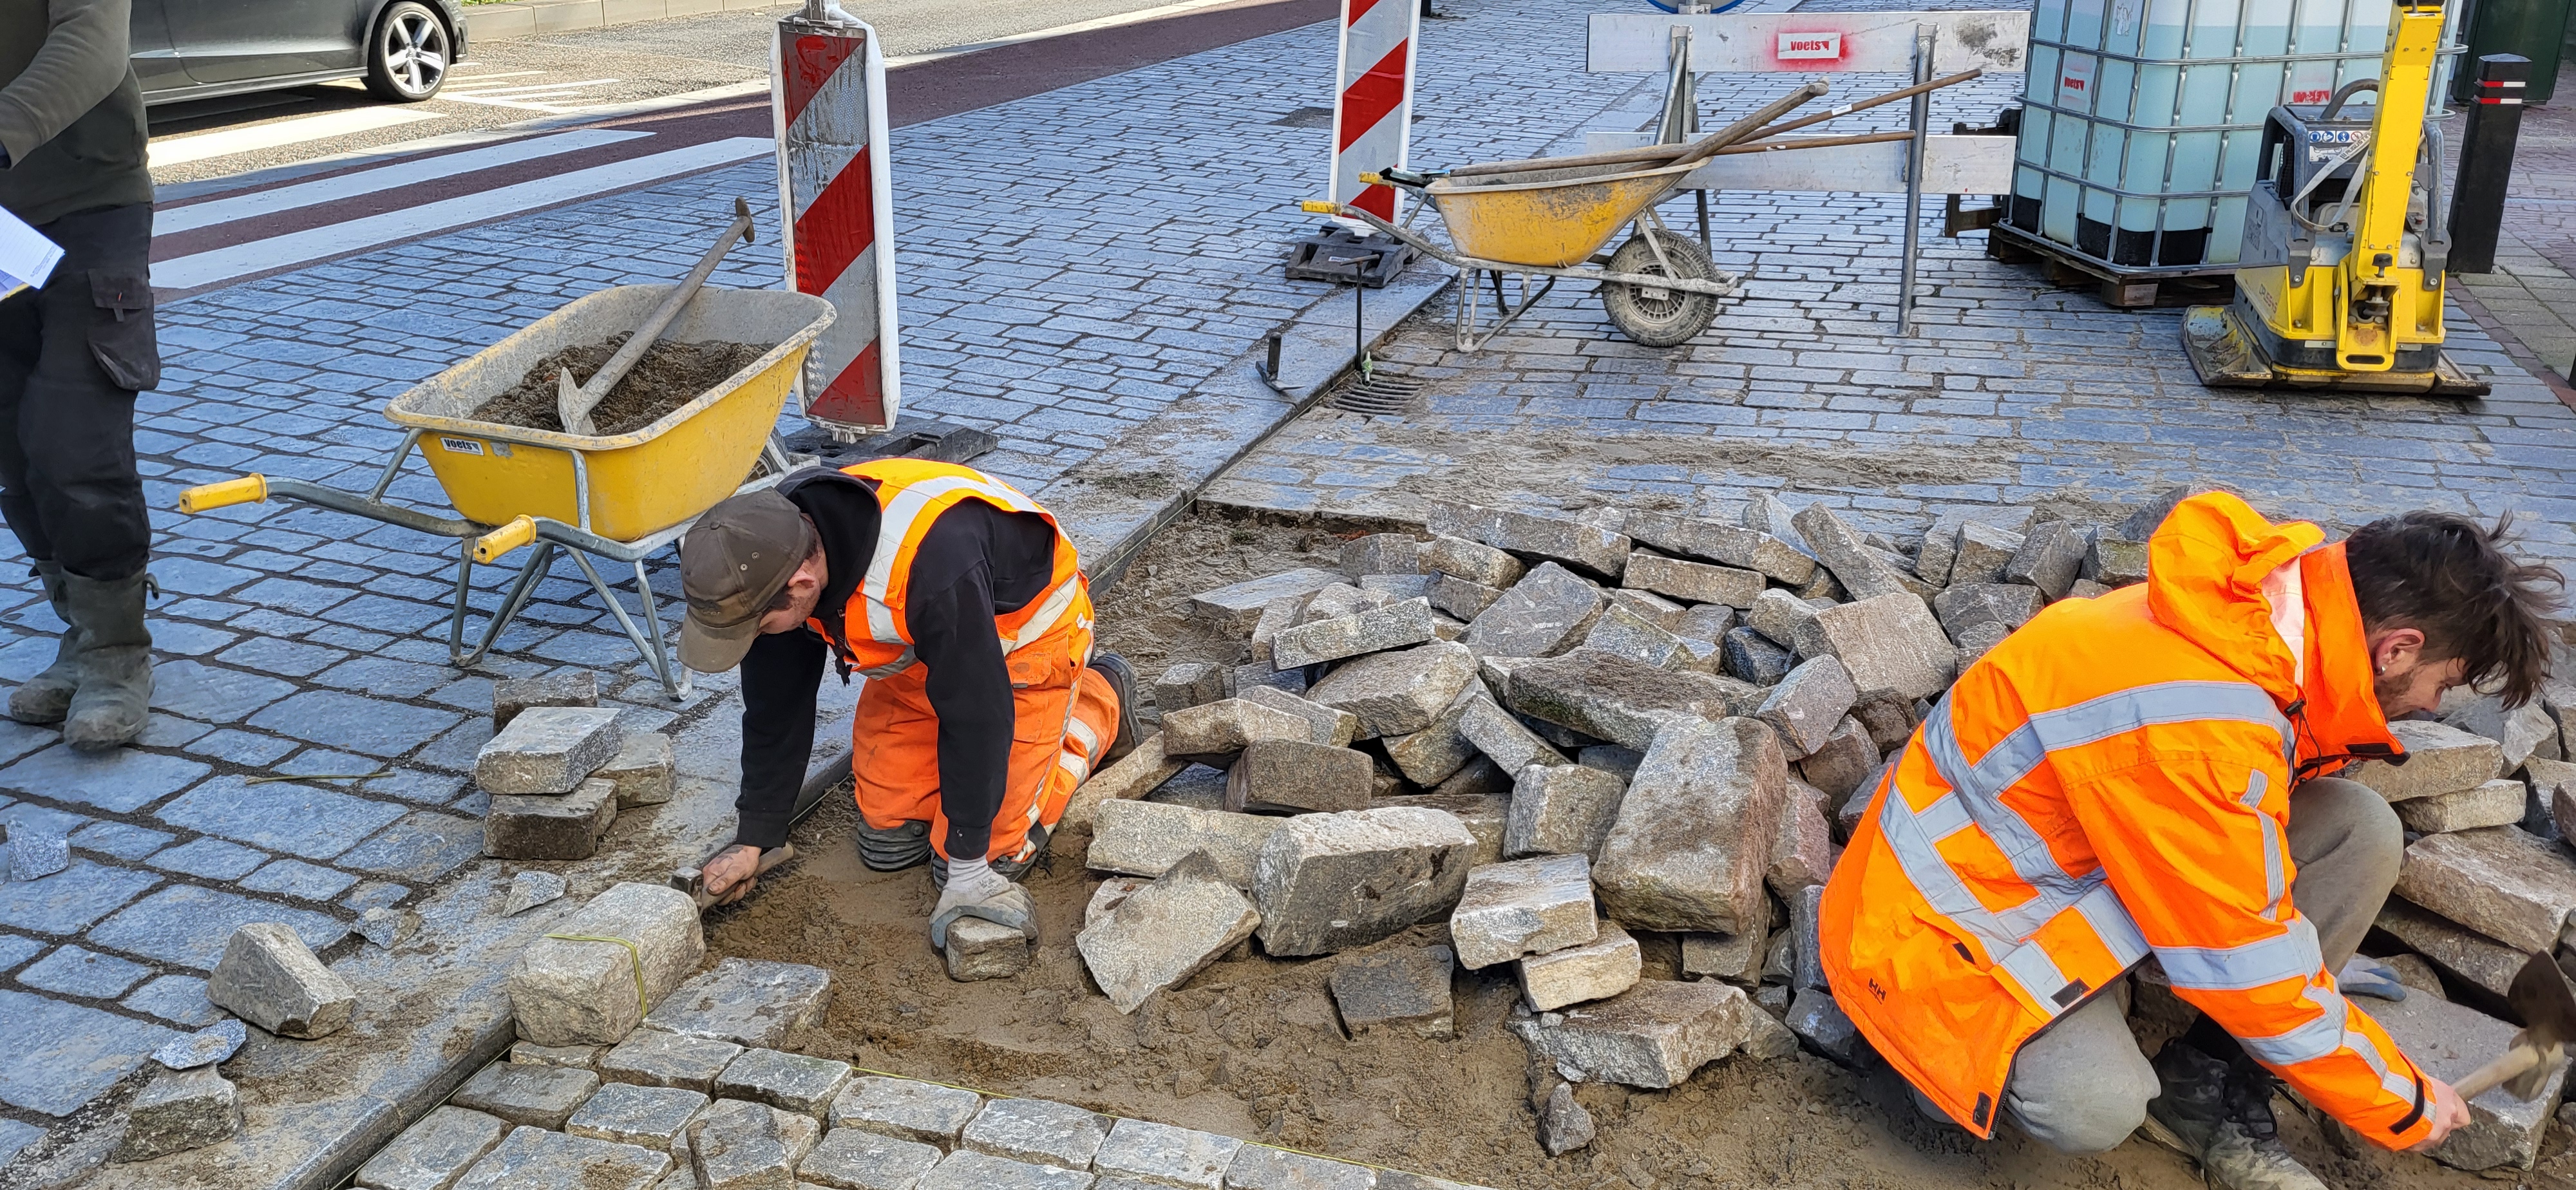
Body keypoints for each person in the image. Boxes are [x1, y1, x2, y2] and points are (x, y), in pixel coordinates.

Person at [1822, 492, 2561, 1189]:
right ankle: (1916, 1061)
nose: (2432, 705)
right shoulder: (2202, 726)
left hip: (2072, 864)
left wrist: (2304, 974)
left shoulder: (2258, 624)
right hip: (1948, 930)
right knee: (2096, 1105)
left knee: (2357, 828)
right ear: (2398, 647)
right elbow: (2242, 954)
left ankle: (2206, 1082)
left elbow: (2231, 849)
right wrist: (2398, 1097)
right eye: (2446, 680)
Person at [675, 458, 1135, 950]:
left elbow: (979, 712)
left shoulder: (933, 562)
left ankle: (1100, 696)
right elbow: (775, 707)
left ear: (802, 587)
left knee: (991, 853)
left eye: (760, 627)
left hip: (1024, 652)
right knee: (886, 844)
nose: (759, 638)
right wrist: (757, 835)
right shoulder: (766, 558)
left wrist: (967, 869)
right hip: (927, 656)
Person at [0, 0, 158, 750]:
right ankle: (80, 636)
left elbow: (93, 39)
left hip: (87, 204)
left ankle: (117, 653)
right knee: (12, 445)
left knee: (74, 435)